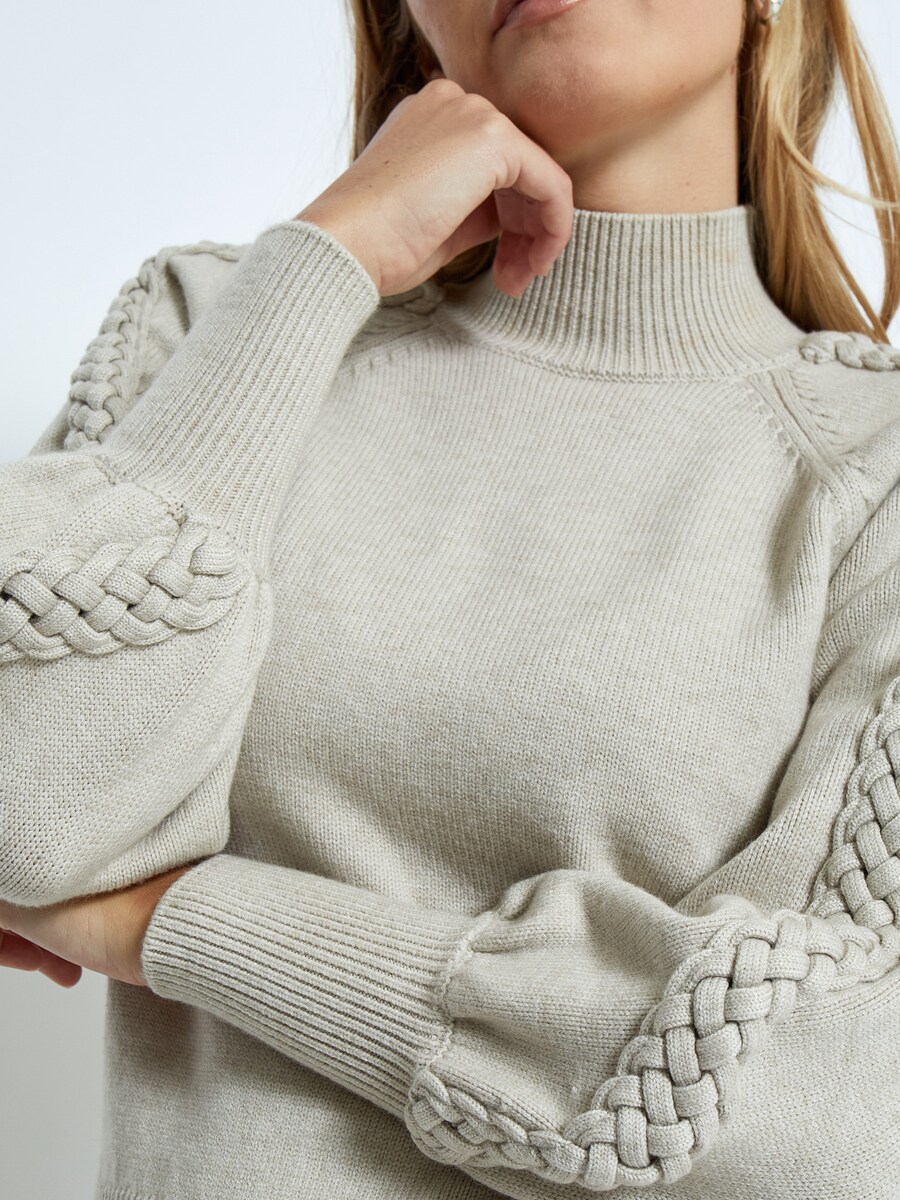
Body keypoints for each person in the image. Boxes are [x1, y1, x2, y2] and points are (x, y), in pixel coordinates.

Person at [2, 0, 900, 1196]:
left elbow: (842, 1106)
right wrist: (323, 263)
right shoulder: (217, 331)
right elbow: (28, 814)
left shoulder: (876, 470)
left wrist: (179, 923)